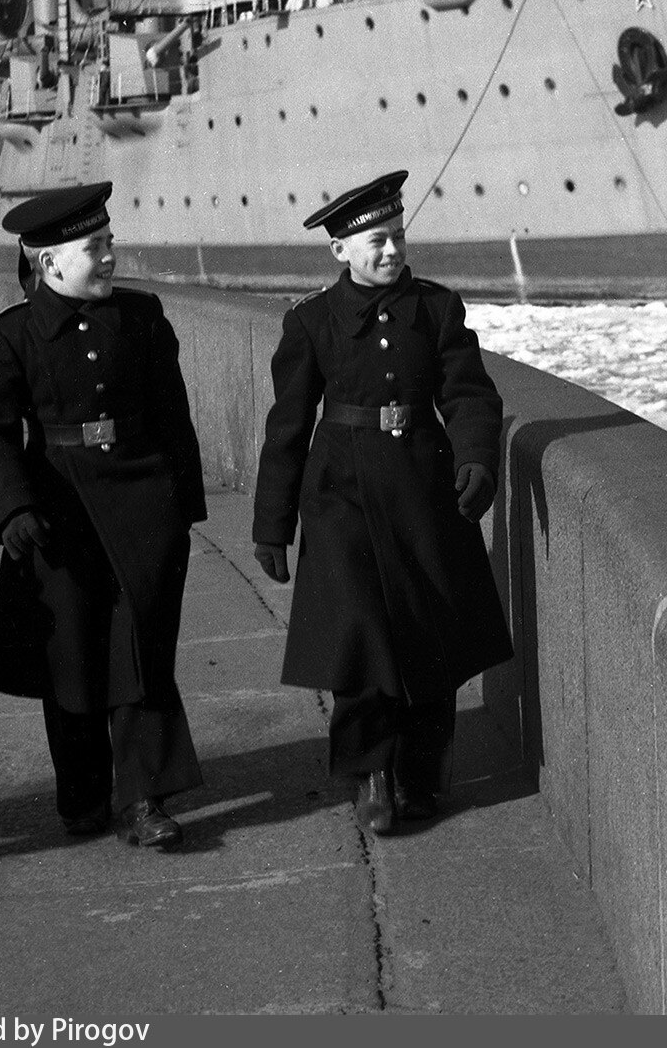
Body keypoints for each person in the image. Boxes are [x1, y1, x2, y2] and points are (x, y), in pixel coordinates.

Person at [251, 170, 511, 834]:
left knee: (430, 641)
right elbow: (286, 426)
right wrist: (271, 524)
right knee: (359, 642)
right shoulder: (311, 323)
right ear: (339, 249)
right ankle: (371, 777)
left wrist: (478, 457)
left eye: (396, 235)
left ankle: (421, 776)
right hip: (342, 496)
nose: (391, 250)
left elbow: (469, 395)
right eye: (375, 240)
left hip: (424, 491)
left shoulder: (437, 309)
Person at [0, 181, 206, 850]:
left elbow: (171, 416)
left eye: (109, 242)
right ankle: (82, 794)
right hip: (56, 518)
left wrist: (183, 504)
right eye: (93, 247)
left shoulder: (142, 317)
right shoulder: (12, 336)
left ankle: (143, 796)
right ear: (48, 263)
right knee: (69, 662)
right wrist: (10, 507)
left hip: (142, 509)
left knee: (139, 656)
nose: (108, 258)